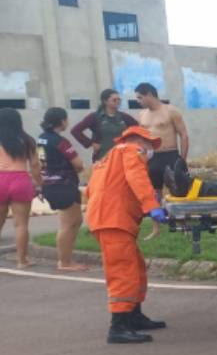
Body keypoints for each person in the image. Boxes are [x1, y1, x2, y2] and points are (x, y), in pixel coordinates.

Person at [85, 125, 170, 344]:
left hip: (108, 219)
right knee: (123, 271)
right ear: (137, 140)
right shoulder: (132, 150)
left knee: (136, 268)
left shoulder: (107, 158)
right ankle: (118, 326)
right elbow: (137, 178)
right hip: (114, 220)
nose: (150, 149)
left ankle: (134, 316)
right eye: (150, 144)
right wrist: (151, 205)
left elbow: (90, 191)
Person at [134, 82, 189, 240]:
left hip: (170, 155)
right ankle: (156, 228)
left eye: (140, 97)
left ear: (150, 94)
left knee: (178, 190)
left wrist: (182, 159)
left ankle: (184, 224)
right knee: (154, 193)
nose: (138, 101)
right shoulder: (142, 114)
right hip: (152, 157)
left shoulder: (170, 111)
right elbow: (140, 138)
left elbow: (183, 135)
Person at [36, 107, 88, 270]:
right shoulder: (61, 142)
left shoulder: (41, 139)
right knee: (68, 223)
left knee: (76, 220)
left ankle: (67, 258)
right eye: (66, 119)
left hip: (50, 185)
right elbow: (78, 164)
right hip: (64, 185)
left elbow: (41, 163)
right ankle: (64, 262)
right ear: (62, 121)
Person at [0, 108, 42, 268]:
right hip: (20, 179)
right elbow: (35, 165)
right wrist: (39, 183)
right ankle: (22, 260)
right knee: (21, 224)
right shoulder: (27, 140)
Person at [70, 88, 138, 162]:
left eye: (119, 99)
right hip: (103, 157)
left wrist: (132, 143)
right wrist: (90, 143)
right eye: (114, 100)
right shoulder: (95, 117)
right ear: (105, 101)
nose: (118, 102)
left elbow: (138, 129)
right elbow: (75, 131)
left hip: (122, 157)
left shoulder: (124, 116)